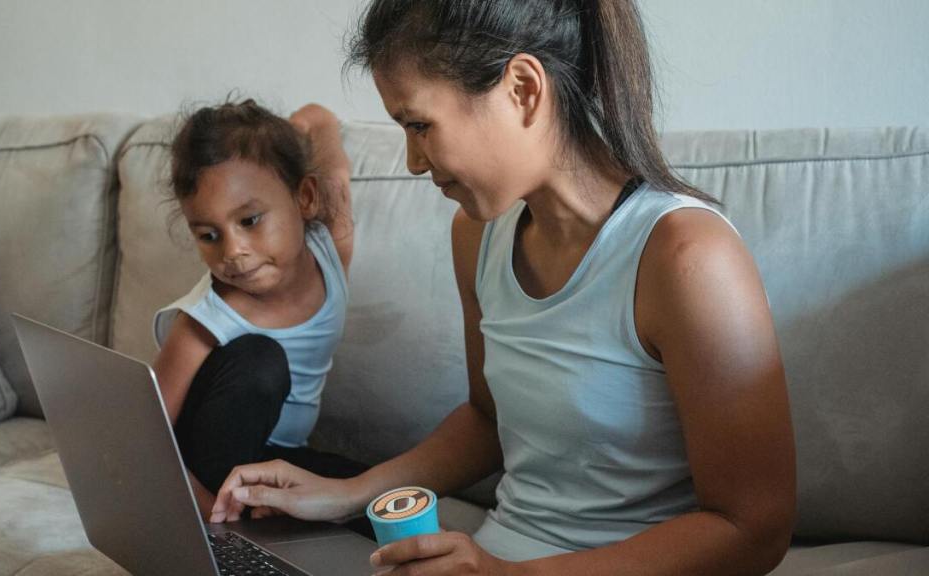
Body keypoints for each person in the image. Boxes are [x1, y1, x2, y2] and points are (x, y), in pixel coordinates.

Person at [210, 1, 797, 574]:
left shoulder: (687, 256)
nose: (413, 161)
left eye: (419, 125)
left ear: (522, 89)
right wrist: (345, 494)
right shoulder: (478, 236)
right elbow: (487, 420)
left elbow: (753, 528)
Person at [152, 99, 364, 515]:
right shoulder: (209, 317)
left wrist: (282, 134)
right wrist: (212, 516)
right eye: (209, 235)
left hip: (276, 460)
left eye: (249, 221)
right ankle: (241, 522)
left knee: (386, 500)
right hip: (204, 467)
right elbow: (145, 431)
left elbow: (320, 118)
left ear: (305, 197)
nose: (233, 252)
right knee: (261, 360)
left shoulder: (330, 245)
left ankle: (264, 514)